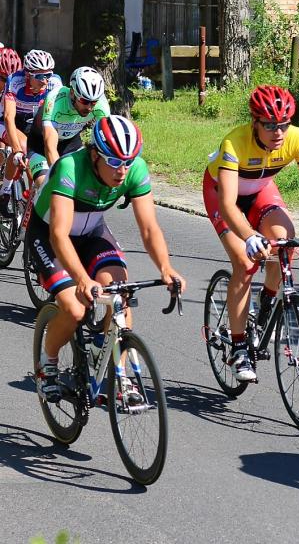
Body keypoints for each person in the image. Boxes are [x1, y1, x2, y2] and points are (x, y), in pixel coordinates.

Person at [30, 114, 186, 403]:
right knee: (75, 309)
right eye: (113, 161)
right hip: (49, 234)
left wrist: (166, 268)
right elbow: (59, 235)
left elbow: (149, 228)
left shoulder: (135, 170)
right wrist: (82, 279)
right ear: (94, 155)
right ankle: (47, 365)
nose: (122, 170)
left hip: (92, 231)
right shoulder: (70, 167)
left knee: (120, 293)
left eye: (128, 161)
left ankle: (120, 373)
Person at [203, 85, 299, 381]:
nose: (278, 132)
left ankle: (265, 304)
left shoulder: (297, 138)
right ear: (255, 122)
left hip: (260, 190)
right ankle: (239, 347)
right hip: (222, 196)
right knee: (245, 263)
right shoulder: (234, 143)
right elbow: (228, 205)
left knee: (286, 241)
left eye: (284, 124)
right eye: (269, 125)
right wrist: (249, 236)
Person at [24, 66, 110, 189]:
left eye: (93, 102)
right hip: (40, 145)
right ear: (72, 93)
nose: (89, 107)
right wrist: (61, 181)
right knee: (48, 186)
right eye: (84, 101)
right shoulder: (55, 100)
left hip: (70, 143)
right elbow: (50, 147)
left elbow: (107, 141)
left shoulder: (101, 105)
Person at [0, 49, 62, 213]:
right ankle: (4, 192)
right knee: (23, 147)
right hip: (10, 122)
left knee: (34, 167)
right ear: (28, 75)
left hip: (33, 123)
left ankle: (30, 199)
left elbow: (55, 119)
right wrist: (17, 150)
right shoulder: (15, 81)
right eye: (40, 76)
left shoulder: (55, 84)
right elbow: (8, 118)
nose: (45, 80)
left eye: (48, 75)